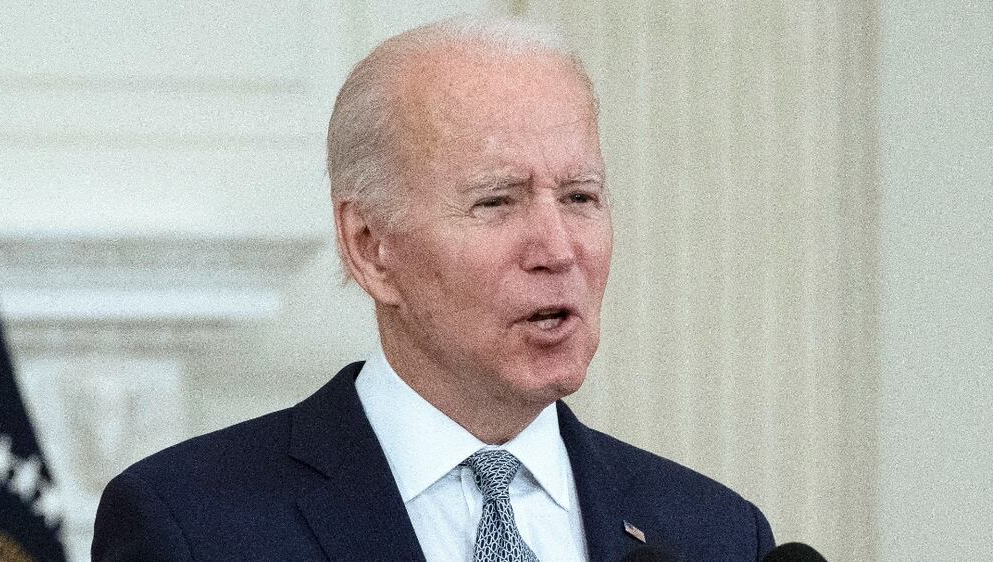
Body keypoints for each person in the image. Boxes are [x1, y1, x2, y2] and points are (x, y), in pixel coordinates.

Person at [92, 17, 774, 562]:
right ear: (370, 249)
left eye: (580, 196)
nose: (559, 249)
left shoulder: (714, 534)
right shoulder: (192, 527)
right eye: (496, 203)